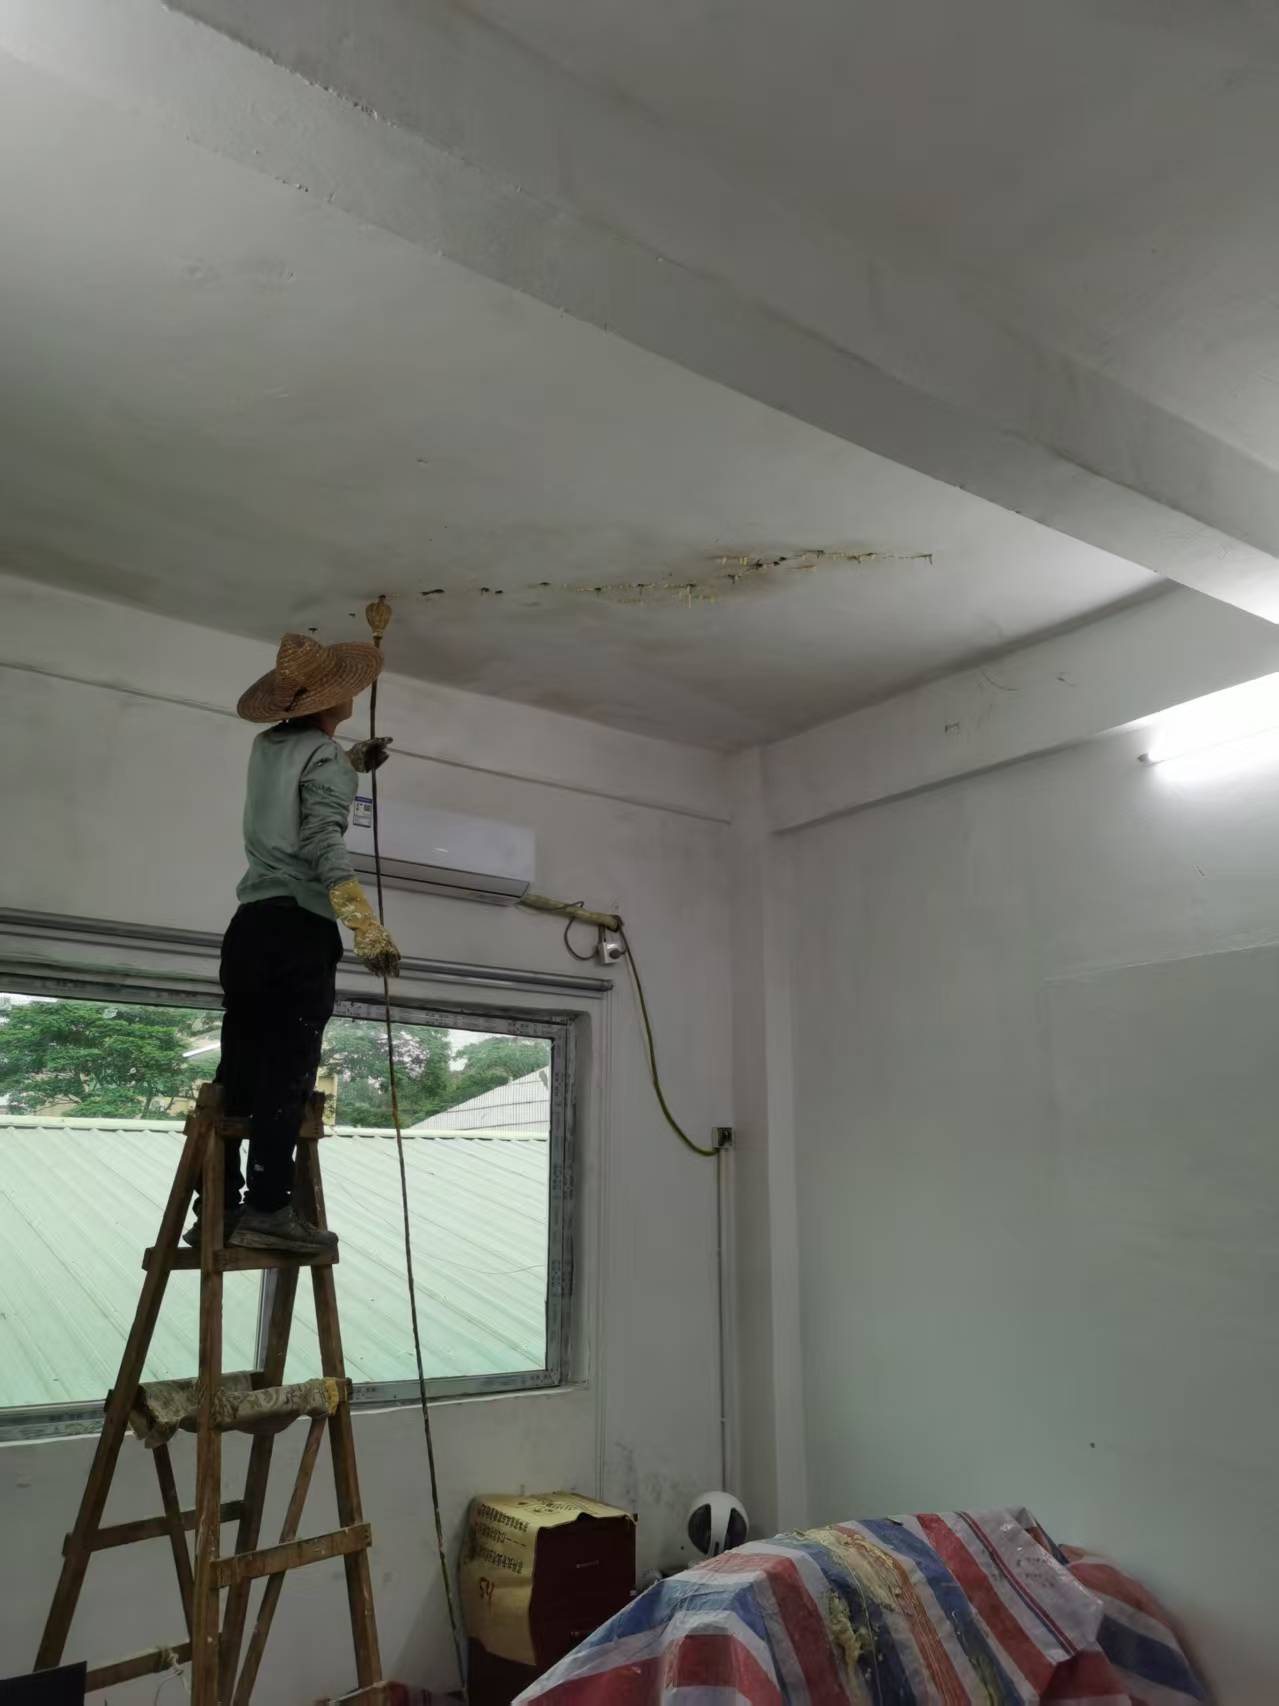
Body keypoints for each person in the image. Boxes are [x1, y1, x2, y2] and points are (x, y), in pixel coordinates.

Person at [187, 632, 402, 1256]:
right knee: (288, 1070)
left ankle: (219, 1208)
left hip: (250, 927)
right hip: (298, 929)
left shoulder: (268, 746)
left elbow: (296, 783)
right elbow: (321, 841)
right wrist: (363, 924)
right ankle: (269, 1209)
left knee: (241, 1062)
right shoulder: (325, 759)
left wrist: (351, 761)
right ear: (331, 701)